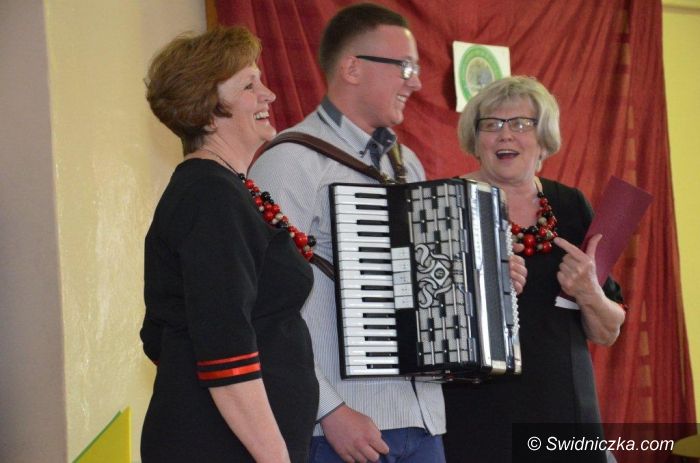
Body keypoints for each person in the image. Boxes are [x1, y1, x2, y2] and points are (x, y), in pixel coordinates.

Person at [249, 4, 526, 463]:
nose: (415, 82)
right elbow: (265, 308)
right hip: (341, 429)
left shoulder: (406, 163)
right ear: (352, 68)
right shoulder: (290, 161)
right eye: (405, 67)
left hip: (424, 422)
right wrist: (328, 411)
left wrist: (489, 281)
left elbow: (425, 283)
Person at [140, 26, 318, 463]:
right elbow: (226, 348)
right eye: (249, 85)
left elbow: (161, 335)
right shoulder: (210, 195)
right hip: (225, 447)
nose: (269, 94)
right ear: (206, 113)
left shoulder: (225, 189)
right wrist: (274, 456)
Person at [442, 75, 627, 462]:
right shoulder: (444, 203)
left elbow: (607, 331)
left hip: (566, 412)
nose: (505, 134)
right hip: (475, 417)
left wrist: (589, 292)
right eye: (491, 124)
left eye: (521, 124)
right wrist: (476, 288)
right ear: (475, 139)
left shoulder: (571, 205)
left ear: (543, 138)